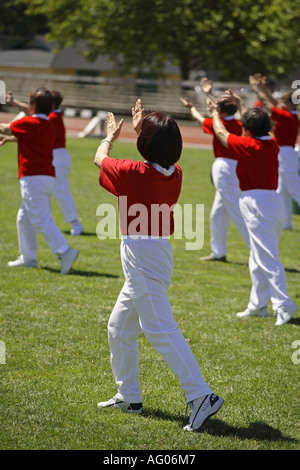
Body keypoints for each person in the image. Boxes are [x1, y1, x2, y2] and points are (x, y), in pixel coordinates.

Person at [93, 99, 223, 432]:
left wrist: (110, 135)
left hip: (142, 255)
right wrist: (142, 129)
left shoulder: (133, 172)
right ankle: (129, 396)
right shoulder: (174, 172)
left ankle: (201, 395)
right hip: (155, 254)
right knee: (119, 329)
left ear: (145, 145)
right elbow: (156, 156)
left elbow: (100, 159)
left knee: (160, 330)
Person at [206, 90, 298, 326]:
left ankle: (284, 305)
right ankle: (258, 305)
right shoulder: (273, 142)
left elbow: (220, 132)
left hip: (257, 204)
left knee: (267, 258)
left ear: (247, 129)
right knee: (257, 259)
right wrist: (242, 104)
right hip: (272, 202)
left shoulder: (247, 144)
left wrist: (216, 112)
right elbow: (254, 124)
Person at [0, 87, 79, 274]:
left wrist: (6, 132)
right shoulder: (49, 125)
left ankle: (65, 251)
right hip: (46, 177)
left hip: (32, 177)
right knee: (24, 218)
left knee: (40, 218)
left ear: (33, 105)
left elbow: (5, 127)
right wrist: (10, 139)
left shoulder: (28, 123)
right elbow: (31, 140)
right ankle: (28, 257)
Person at [180, 78, 250, 262]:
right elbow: (218, 109)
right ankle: (219, 252)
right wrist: (208, 94)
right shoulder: (238, 124)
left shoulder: (220, 123)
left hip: (225, 168)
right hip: (234, 168)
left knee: (236, 211)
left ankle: (256, 250)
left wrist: (192, 106)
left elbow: (203, 117)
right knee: (217, 215)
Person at [6, 89, 83, 235]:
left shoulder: (52, 117)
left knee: (60, 191)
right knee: (52, 191)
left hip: (57, 156)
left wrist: (13, 102)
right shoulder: (54, 116)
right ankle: (47, 222)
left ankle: (75, 224)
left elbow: (31, 113)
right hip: (58, 156)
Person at [249, 74, 300, 230]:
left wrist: (258, 90)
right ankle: (286, 223)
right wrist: (264, 89)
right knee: (282, 191)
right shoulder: (289, 114)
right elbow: (274, 103)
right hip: (284, 154)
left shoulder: (288, 116)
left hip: (286, 154)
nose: (283, 105)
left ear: (291, 105)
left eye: (285, 103)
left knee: (296, 189)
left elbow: (270, 106)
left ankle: (286, 223)